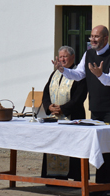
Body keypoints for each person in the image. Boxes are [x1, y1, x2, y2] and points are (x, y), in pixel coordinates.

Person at [52, 25, 110, 196]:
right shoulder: (88, 54)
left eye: (96, 37)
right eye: (91, 36)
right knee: (98, 146)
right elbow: (78, 74)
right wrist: (63, 70)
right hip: (96, 107)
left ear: (105, 38)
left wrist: (100, 75)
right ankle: (100, 185)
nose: (92, 39)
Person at [41, 46, 88, 182]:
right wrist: (49, 107)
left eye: (65, 57)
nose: (62, 59)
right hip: (54, 118)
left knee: (72, 148)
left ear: (72, 58)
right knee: (54, 145)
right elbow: (45, 93)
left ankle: (73, 177)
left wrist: (63, 109)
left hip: (72, 117)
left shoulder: (78, 73)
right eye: (60, 57)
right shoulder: (54, 73)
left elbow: (79, 97)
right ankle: (53, 177)